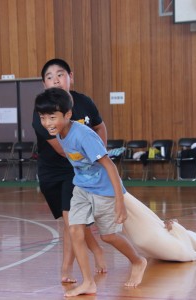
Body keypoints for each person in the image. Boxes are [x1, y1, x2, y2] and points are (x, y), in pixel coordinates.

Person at [35, 87, 148, 297]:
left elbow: (110, 166)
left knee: (109, 236)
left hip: (104, 190)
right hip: (81, 188)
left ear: (67, 115)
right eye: (43, 117)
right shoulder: (59, 133)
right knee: (75, 230)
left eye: (52, 117)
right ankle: (88, 282)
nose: (47, 123)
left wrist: (119, 201)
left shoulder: (83, 136)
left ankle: (138, 261)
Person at [32, 58, 107, 283]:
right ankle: (96, 250)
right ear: (44, 84)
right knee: (72, 222)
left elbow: (99, 126)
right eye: (49, 77)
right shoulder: (41, 112)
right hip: (52, 172)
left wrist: (100, 153)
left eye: (60, 74)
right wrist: (92, 157)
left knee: (71, 221)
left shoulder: (85, 102)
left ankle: (66, 269)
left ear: (70, 77)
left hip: (76, 173)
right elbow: (64, 150)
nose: (55, 79)